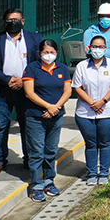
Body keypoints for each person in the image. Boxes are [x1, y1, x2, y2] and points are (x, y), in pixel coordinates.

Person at [0, 8, 41, 176]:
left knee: (27, 125)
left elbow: (39, 63)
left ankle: (29, 159)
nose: (13, 23)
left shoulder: (34, 38)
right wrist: (6, 79)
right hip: (1, 90)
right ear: (4, 22)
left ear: (23, 21)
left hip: (26, 90)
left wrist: (24, 80)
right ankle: (0, 161)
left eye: (16, 20)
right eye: (9, 20)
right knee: (1, 125)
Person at [21, 39, 72, 202]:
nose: (49, 55)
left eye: (52, 52)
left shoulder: (62, 68)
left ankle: (49, 181)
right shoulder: (32, 68)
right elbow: (29, 92)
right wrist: (48, 106)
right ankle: (36, 185)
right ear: (39, 53)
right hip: (36, 116)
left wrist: (55, 107)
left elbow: (67, 91)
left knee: (51, 150)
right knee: (36, 152)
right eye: (45, 52)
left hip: (56, 115)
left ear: (56, 53)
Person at [73, 34, 110, 185]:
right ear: (89, 48)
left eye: (101, 47)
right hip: (86, 112)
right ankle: (91, 173)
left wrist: (102, 102)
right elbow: (77, 87)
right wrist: (92, 103)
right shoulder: (82, 66)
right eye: (94, 47)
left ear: (105, 48)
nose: (97, 50)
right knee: (91, 144)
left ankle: (103, 173)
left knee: (105, 143)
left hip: (108, 111)